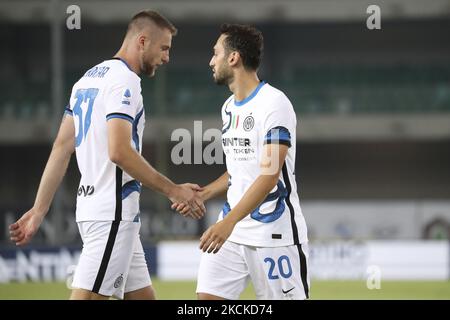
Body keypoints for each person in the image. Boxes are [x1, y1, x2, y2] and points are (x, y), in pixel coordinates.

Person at [9, 10, 205, 300]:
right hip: (112, 213)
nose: (166, 58)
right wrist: (173, 190)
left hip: (94, 209)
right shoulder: (125, 81)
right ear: (142, 41)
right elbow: (120, 152)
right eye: (164, 48)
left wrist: (39, 210)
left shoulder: (85, 81)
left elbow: (62, 147)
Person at [173, 24, 310, 300]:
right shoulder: (228, 108)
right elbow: (239, 169)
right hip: (233, 229)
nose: (211, 61)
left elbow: (268, 176)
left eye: (216, 54)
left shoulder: (274, 104)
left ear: (233, 58)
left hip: (273, 234)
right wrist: (205, 192)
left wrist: (228, 223)